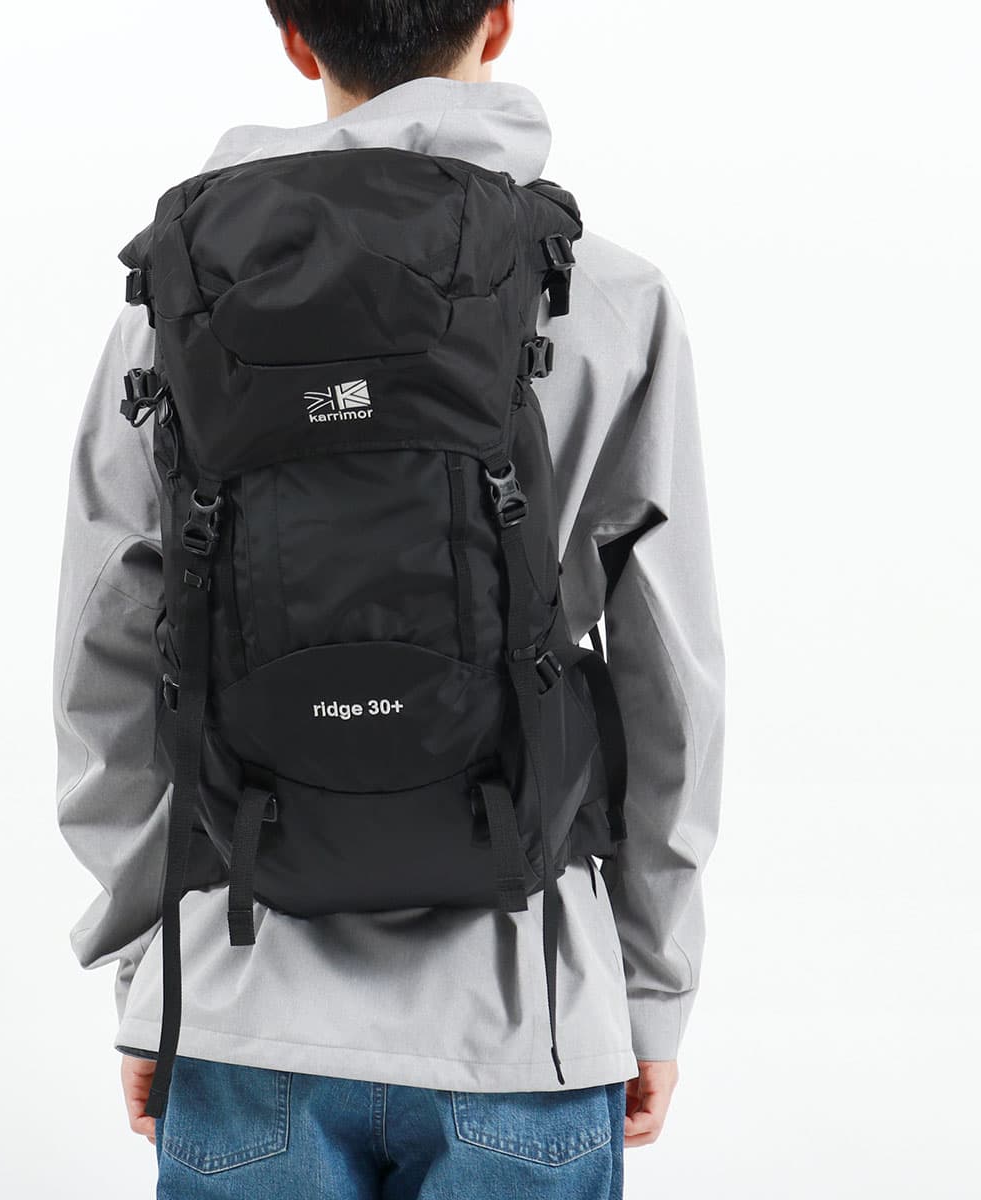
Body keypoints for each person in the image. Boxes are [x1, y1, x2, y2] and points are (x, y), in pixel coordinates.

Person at [53, 3, 724, 1196]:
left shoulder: (175, 303)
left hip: (240, 1001)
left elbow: (104, 655)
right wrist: (651, 985)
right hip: (528, 1013)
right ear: (499, 23)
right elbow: (671, 681)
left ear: (293, 36)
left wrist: (150, 968)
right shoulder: (605, 295)